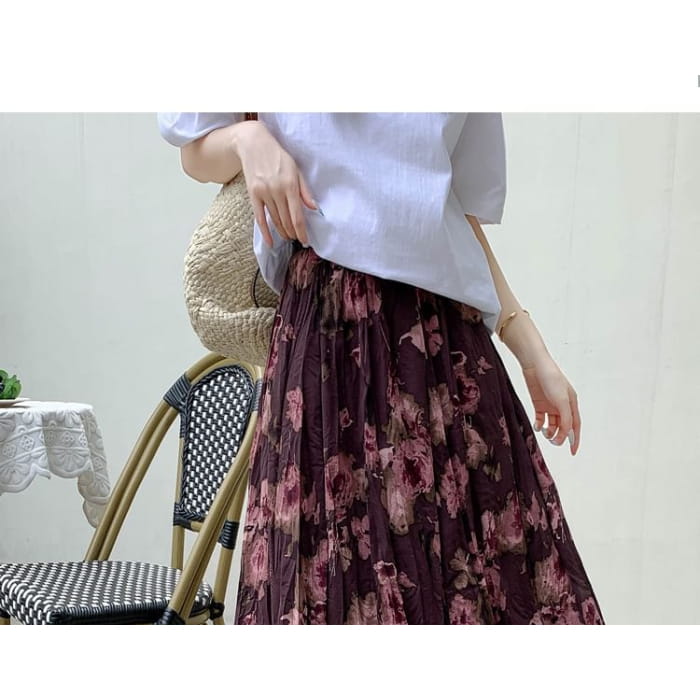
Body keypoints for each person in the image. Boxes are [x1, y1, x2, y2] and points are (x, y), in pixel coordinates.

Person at [157, 112, 605, 625]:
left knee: (479, 588)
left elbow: (453, 212)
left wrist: (531, 349)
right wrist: (246, 138)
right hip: (324, 347)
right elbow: (194, 152)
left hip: (441, 353)